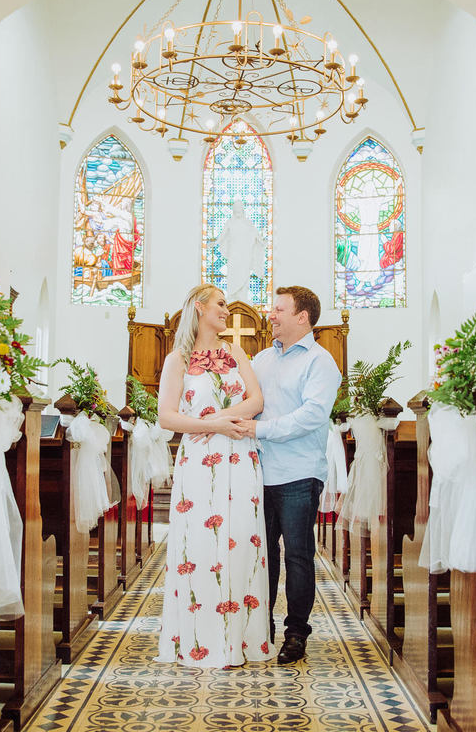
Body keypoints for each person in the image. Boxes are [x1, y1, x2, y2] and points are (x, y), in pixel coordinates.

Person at [153, 283, 273, 668]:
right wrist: (216, 427)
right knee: (201, 544)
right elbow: (166, 416)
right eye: (220, 304)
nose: (226, 310)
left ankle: (239, 641)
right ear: (200, 308)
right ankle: (199, 640)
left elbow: (256, 401)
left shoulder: (237, 352)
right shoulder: (178, 359)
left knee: (240, 540)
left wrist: (216, 421)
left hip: (239, 458)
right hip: (199, 462)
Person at [236, 285, 341, 665]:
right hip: (257, 473)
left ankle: (296, 633)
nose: (271, 315)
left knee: (298, 556)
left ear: (302, 317)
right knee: (263, 556)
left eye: (279, 309)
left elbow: (312, 416)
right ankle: (260, 628)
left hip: (298, 474)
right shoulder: (262, 359)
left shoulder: (320, 362)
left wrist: (260, 430)